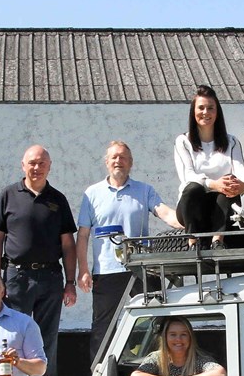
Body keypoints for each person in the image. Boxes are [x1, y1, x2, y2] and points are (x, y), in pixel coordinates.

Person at [76, 141, 180, 362]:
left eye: (123, 157)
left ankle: (154, 369)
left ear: (130, 163)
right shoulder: (92, 194)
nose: (118, 161)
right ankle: (98, 375)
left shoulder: (145, 190)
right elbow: (83, 234)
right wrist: (83, 269)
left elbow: (164, 212)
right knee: (104, 328)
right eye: (114, 157)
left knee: (155, 320)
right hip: (106, 271)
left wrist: (186, 221)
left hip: (143, 267)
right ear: (106, 162)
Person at [0, 145, 77, 376]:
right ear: (23, 165)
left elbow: (68, 244)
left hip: (50, 277)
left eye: (42, 163)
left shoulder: (58, 199)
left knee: (47, 336)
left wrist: (70, 282)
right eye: (32, 163)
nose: (37, 168)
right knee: (14, 334)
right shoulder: (8, 195)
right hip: (17, 277)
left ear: (49, 167)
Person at [174, 85, 244, 244]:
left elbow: (243, 175)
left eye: (210, 108)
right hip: (193, 210)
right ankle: (192, 240)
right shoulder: (183, 141)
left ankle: (218, 240)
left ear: (217, 112)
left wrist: (239, 185)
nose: (205, 112)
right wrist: (214, 184)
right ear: (193, 111)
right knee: (193, 187)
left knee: (229, 184)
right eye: (201, 108)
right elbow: (188, 175)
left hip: (222, 209)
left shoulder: (232, 142)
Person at [127, 316, 227, 376]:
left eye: (183, 334)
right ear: (165, 337)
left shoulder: (199, 358)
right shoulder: (156, 358)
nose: (178, 339)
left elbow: (220, 375)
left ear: (190, 337)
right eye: (173, 334)